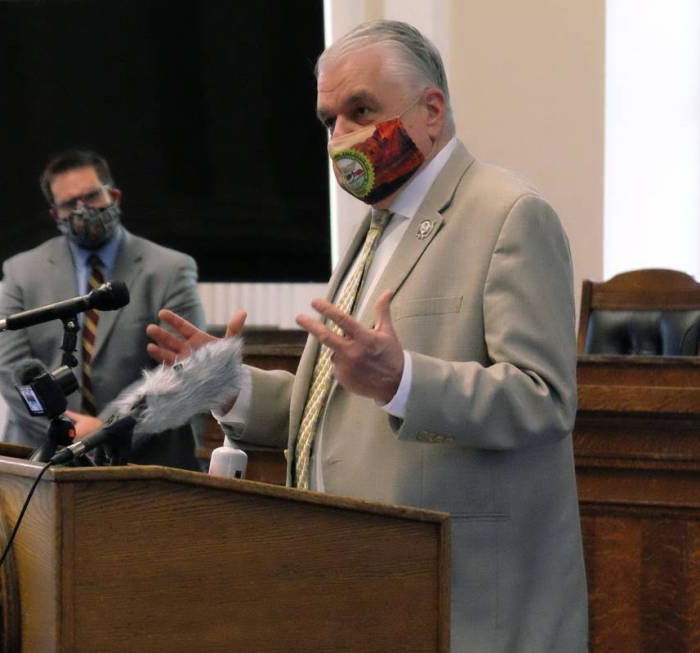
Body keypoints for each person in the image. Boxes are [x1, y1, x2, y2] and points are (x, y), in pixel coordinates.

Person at [146, 20, 587, 653]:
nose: (344, 138)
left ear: (431, 110)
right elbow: (338, 405)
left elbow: (543, 399)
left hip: (464, 603)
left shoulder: (509, 213)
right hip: (360, 586)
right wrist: (233, 388)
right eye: (330, 122)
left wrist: (405, 380)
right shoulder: (377, 227)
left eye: (362, 112)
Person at [0, 149, 206, 469]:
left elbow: (179, 370)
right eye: (69, 204)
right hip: (42, 457)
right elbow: (13, 370)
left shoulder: (170, 270)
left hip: (142, 460)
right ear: (55, 214)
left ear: (114, 195)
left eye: (92, 196)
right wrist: (65, 430)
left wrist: (104, 430)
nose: (82, 209)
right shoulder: (22, 272)